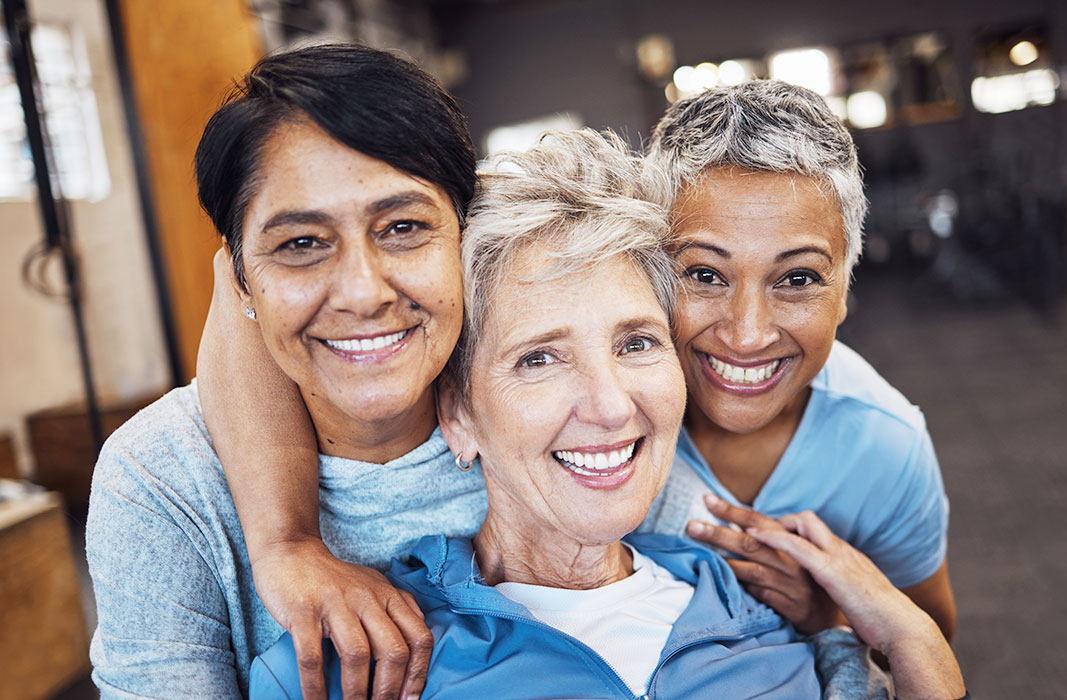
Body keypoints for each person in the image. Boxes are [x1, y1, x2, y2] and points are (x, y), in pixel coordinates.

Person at [196, 80, 954, 689]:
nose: (747, 332)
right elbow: (256, 289)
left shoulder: (757, 585)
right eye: (537, 358)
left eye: (635, 342)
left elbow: (919, 637)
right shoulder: (350, 665)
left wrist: (869, 626)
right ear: (451, 410)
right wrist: (284, 542)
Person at [84, 44, 484, 699]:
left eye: (404, 227)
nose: (363, 292)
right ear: (238, 279)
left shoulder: (574, 418)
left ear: (467, 239)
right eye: (301, 244)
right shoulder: (163, 478)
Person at [637, 80, 955, 639]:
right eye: (705, 275)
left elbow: (930, 639)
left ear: (844, 292)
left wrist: (828, 616)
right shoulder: (597, 419)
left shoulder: (884, 445)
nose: (748, 334)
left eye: (797, 278)